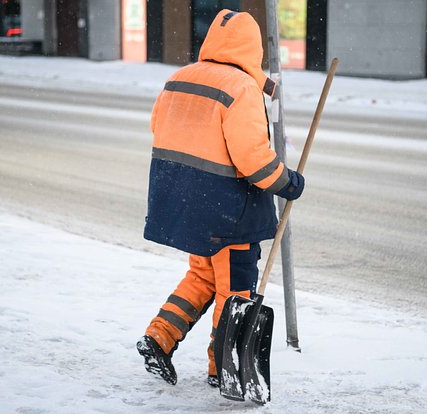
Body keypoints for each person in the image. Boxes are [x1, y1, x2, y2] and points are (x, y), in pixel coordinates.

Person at [136, 9, 304, 387]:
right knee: (235, 288)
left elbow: (159, 127)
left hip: (185, 203)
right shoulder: (241, 88)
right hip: (228, 212)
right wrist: (288, 183)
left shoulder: (179, 78)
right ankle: (222, 368)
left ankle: (158, 337)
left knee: (202, 276)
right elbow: (254, 160)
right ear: (253, 48)